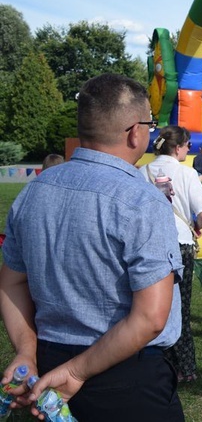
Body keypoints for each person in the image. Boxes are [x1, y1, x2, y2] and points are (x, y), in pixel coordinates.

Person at [0, 73, 185, 421]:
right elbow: (149, 318)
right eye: (150, 123)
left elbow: (10, 282)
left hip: (49, 365)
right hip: (123, 377)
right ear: (135, 131)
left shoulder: (33, 192)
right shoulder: (143, 200)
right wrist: (75, 371)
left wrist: (27, 352)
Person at [140, 126, 202, 383]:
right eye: (188, 145)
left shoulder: (142, 172)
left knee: (150, 307)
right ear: (178, 147)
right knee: (180, 308)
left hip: (149, 244)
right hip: (180, 244)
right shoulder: (187, 173)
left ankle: (157, 364)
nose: (188, 150)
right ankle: (185, 368)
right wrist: (197, 227)